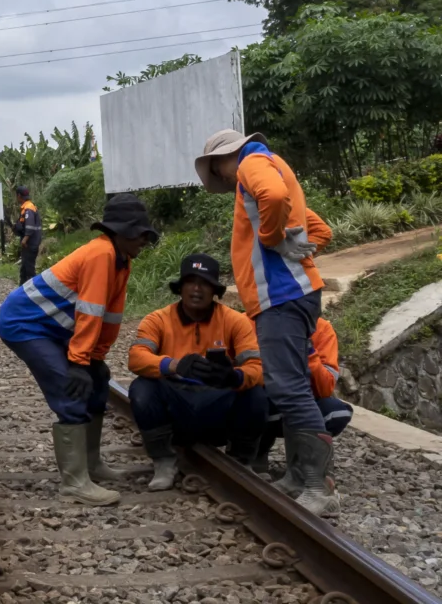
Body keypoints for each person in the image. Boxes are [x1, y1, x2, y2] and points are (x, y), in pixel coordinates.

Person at [195, 130, 336, 515]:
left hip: (282, 296)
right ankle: (296, 473)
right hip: (293, 293)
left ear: (226, 158)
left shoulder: (252, 165)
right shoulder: (275, 165)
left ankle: (318, 486)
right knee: (290, 384)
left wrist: (273, 240)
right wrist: (297, 251)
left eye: (217, 168)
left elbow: (273, 200)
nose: (221, 177)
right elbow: (318, 229)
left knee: (288, 388)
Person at [0, 193, 159, 506]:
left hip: (52, 327)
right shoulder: (101, 255)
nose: (144, 241)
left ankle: (92, 464)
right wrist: (78, 363)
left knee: (98, 383)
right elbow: (90, 311)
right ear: (122, 232)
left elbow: (108, 317)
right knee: (70, 389)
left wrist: (95, 361)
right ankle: (74, 482)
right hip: (25, 325)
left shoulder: (122, 262)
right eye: (140, 234)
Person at [127, 254, 268, 490]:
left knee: (256, 394)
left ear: (215, 290)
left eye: (204, 283)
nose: (196, 289)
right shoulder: (157, 319)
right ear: (180, 287)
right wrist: (173, 365)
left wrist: (235, 376)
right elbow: (136, 357)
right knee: (141, 388)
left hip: (217, 403)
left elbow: (258, 367)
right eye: (191, 281)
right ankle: (163, 460)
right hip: (177, 405)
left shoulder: (235, 321)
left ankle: (241, 461)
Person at [255, 316, 351, 489]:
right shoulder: (253, 322)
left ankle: (304, 465)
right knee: (255, 400)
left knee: (337, 412)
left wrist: (309, 353)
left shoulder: (322, 329)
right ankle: (256, 452)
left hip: (303, 399)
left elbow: (326, 388)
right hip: (268, 398)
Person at [12, 185, 42, 284]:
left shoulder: (28, 208)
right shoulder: (27, 207)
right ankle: (22, 292)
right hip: (29, 244)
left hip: (30, 244)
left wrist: (25, 239)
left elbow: (30, 226)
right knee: (24, 270)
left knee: (29, 271)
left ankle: (35, 292)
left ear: (19, 195)